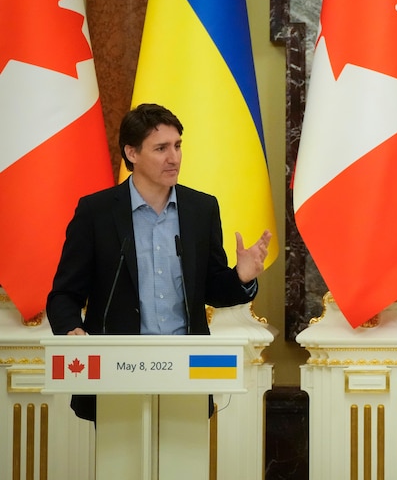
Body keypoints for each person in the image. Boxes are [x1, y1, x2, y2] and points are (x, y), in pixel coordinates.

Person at [46, 103, 272, 421]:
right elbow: (64, 294)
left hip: (188, 368)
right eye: (161, 148)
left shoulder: (201, 209)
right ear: (132, 153)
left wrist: (241, 277)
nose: (174, 157)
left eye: (178, 145)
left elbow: (212, 289)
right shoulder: (96, 213)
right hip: (117, 369)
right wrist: (71, 329)